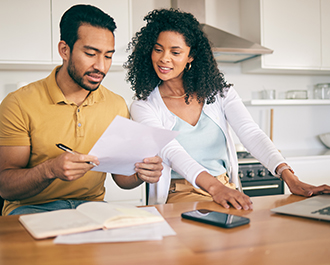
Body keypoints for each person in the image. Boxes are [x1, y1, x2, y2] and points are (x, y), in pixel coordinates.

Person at [125, 8, 330, 210]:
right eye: (158, 49)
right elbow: (170, 151)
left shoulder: (220, 93)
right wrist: (214, 188)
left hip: (224, 187)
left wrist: (290, 178)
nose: (163, 58)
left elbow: (251, 134)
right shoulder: (144, 105)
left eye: (175, 52)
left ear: (191, 56)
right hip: (180, 193)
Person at [0, 4, 163, 216]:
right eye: (90, 53)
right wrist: (49, 170)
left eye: (108, 56)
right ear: (64, 50)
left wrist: (142, 173)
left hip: (92, 209)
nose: (101, 66)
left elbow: (122, 178)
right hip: (32, 209)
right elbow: (6, 186)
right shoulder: (19, 104)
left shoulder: (115, 105)